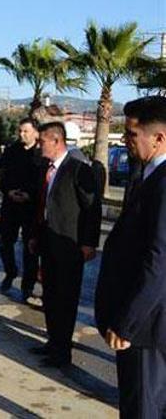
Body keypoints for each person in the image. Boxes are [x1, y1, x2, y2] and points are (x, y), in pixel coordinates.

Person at [95, 96, 166, 417]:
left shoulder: (163, 183)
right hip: (148, 321)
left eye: (131, 135)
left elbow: (159, 261)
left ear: (159, 138)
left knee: (143, 408)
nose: (125, 142)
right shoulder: (146, 175)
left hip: (147, 327)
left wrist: (127, 323)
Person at [29, 122, 102, 368]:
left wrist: (89, 242)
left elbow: (92, 208)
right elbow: (42, 207)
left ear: (57, 141)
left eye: (42, 142)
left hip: (69, 245)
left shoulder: (78, 170)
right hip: (47, 243)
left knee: (65, 299)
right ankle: (53, 342)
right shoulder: (45, 170)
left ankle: (63, 352)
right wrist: (35, 237)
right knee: (49, 296)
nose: (39, 146)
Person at [0, 118, 43, 301]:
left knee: (30, 247)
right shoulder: (11, 151)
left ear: (35, 133)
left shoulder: (40, 153)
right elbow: (1, 174)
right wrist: (8, 191)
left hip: (30, 207)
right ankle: (10, 271)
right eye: (20, 131)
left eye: (26, 131)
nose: (22, 134)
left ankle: (27, 286)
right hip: (10, 203)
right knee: (4, 240)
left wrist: (30, 194)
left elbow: (42, 179)